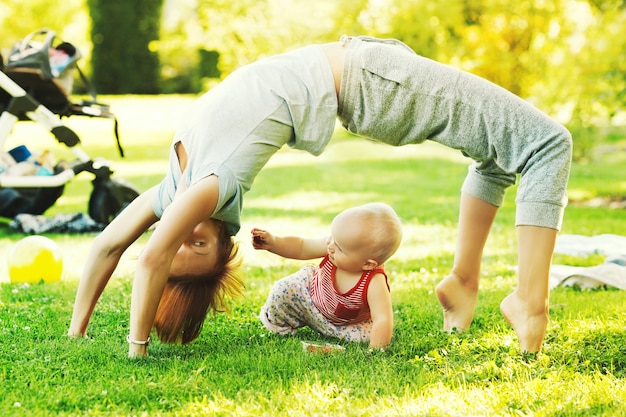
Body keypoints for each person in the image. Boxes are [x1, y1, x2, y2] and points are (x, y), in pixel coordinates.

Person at [69, 34, 572, 356]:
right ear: (226, 241)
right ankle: (530, 302)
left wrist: (78, 329)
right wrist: (138, 349)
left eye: (181, 243)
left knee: (496, 153)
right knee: (547, 143)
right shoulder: (212, 189)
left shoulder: (171, 188)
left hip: (367, 69)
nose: (182, 237)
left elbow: (108, 247)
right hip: (371, 82)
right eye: (196, 248)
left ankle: (462, 283)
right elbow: (153, 257)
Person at [252, 203, 403, 349]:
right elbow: (302, 247)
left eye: (340, 248)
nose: (330, 246)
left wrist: (375, 350)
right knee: (282, 290)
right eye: (332, 237)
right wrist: (274, 243)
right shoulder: (333, 246)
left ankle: (330, 331)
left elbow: (383, 318)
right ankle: (280, 327)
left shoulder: (374, 282)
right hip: (309, 298)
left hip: (342, 325)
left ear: (368, 264)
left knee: (369, 336)